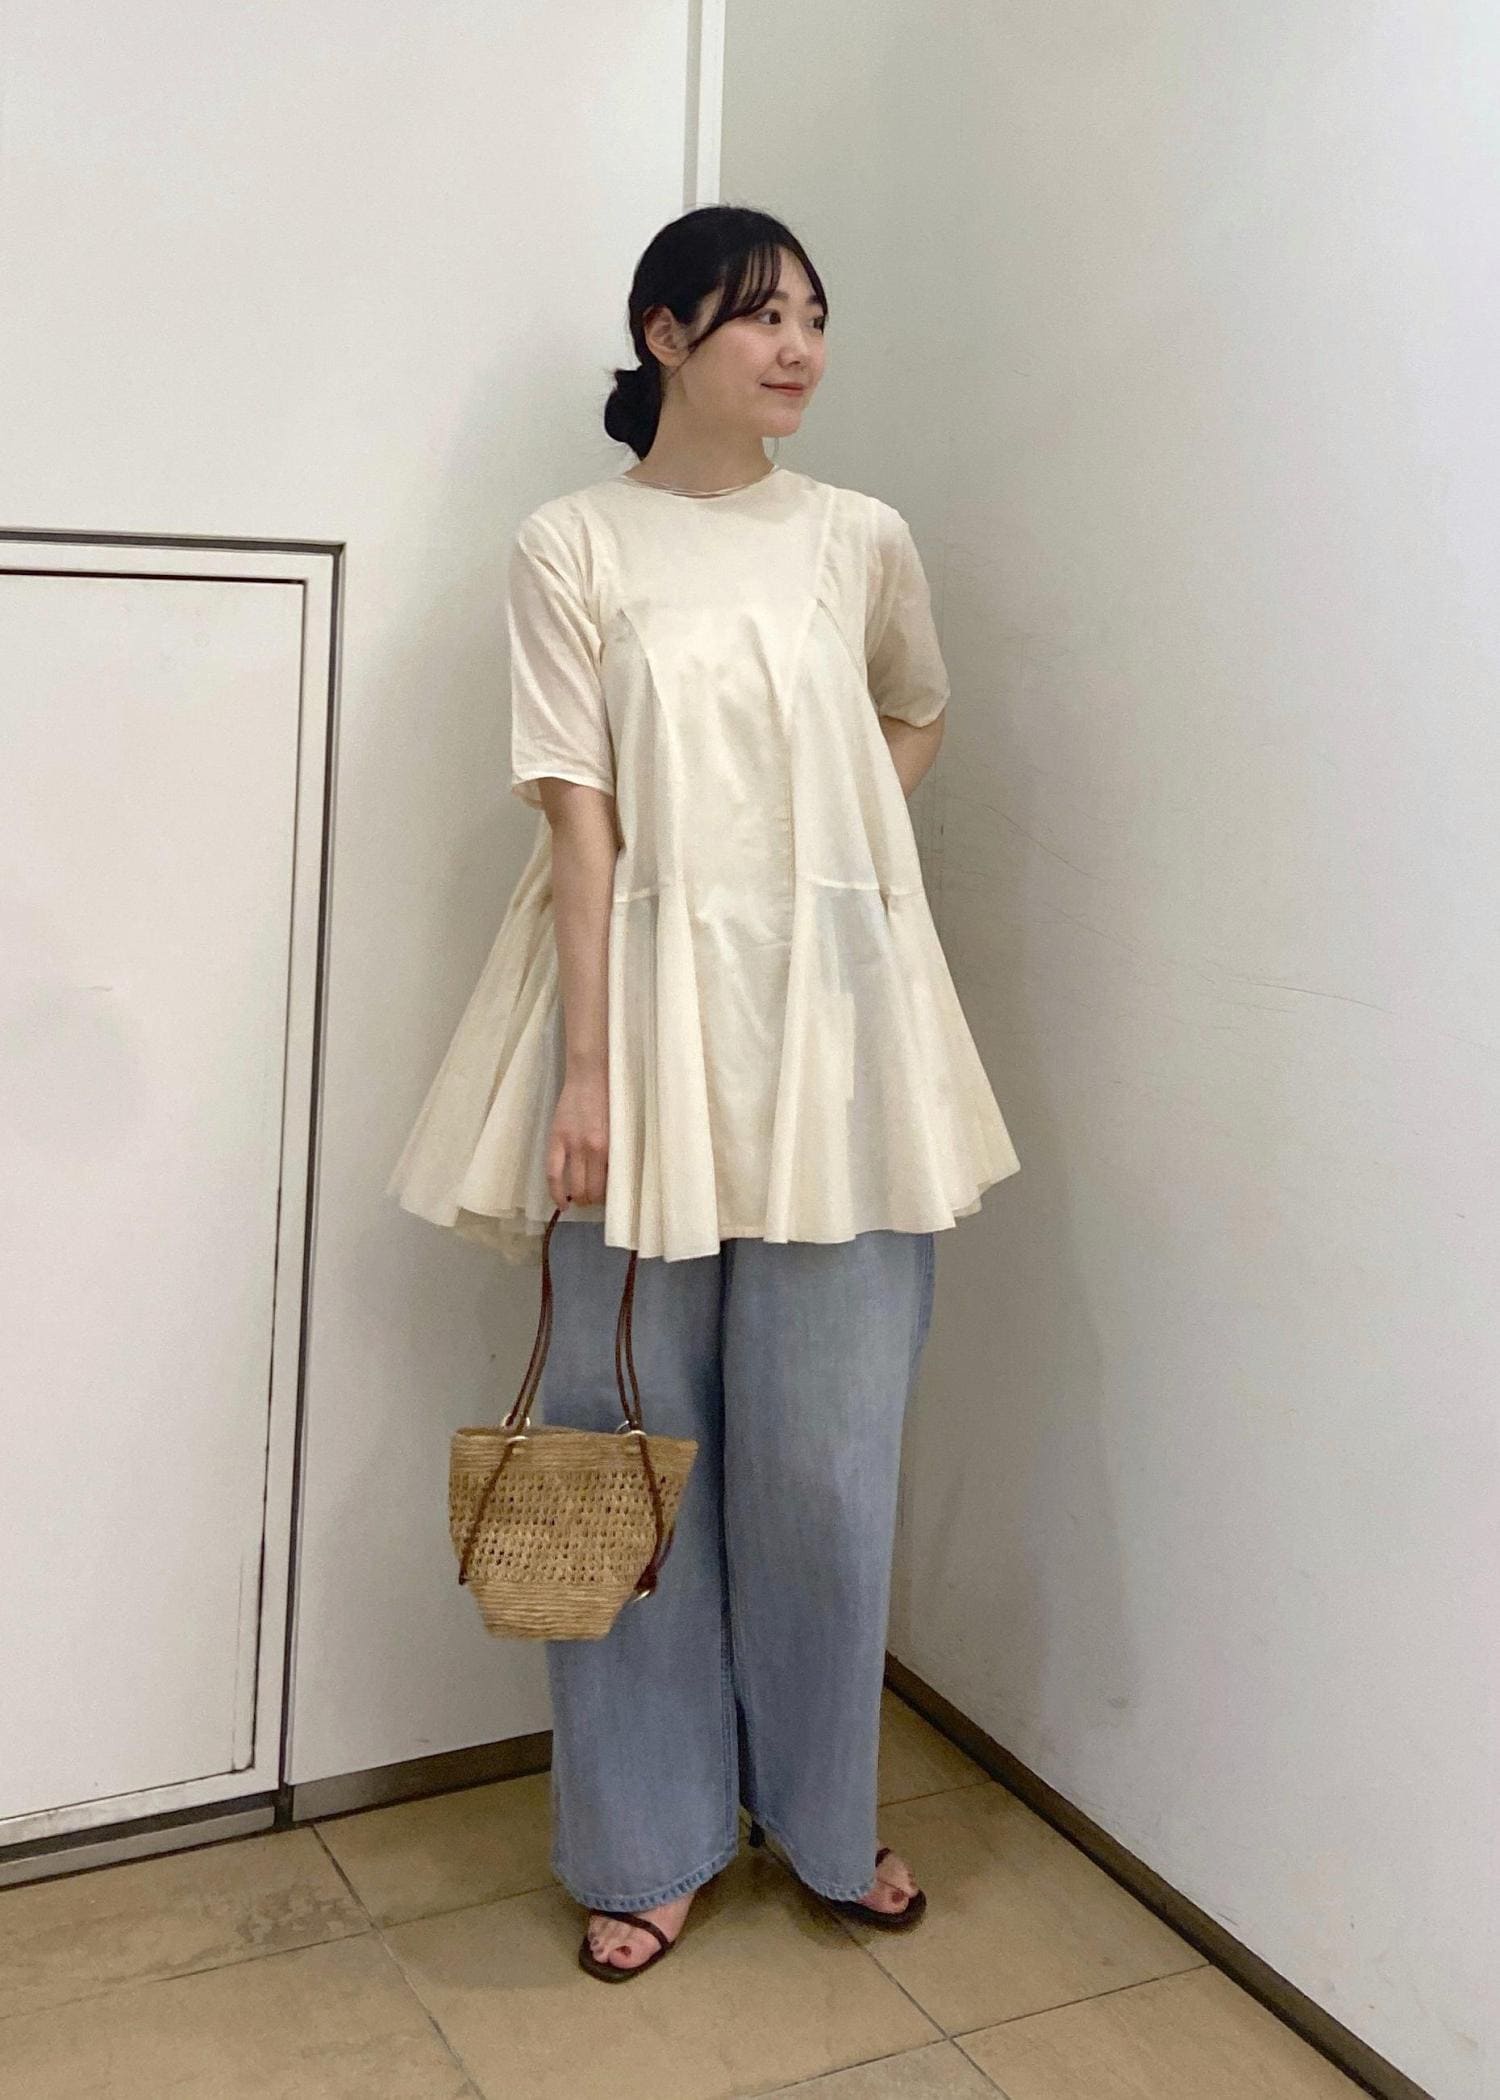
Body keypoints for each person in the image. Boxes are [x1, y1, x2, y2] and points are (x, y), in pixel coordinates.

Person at [387, 205, 1020, 1979]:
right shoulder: (572, 542)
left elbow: (915, 711)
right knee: (624, 1442)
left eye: (815, 314)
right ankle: (644, 1840)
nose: (798, 347)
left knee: (827, 1462)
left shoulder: (861, 538)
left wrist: (830, 870)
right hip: (633, 1018)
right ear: (664, 333)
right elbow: (577, 811)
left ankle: (822, 1814)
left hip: (837, 1040)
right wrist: (589, 1073)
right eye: (758, 316)